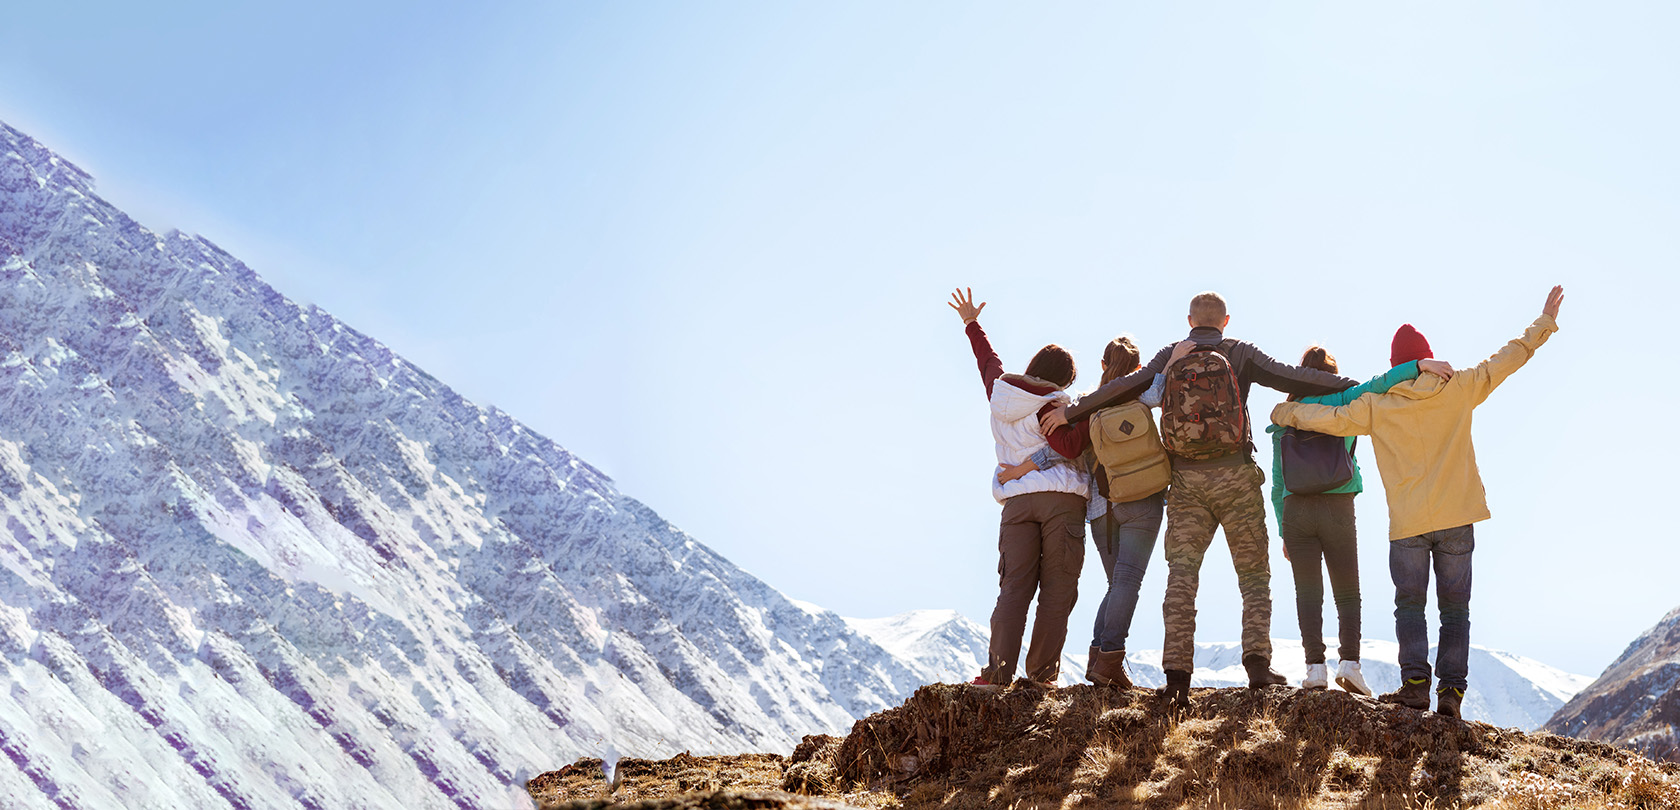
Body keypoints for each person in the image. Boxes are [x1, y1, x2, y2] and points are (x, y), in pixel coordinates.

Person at [1041, 291, 1360, 706]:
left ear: (1189, 319)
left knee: (1182, 576)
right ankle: (1259, 666)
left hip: (1187, 482)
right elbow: (1293, 377)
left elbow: (1127, 385)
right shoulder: (1240, 352)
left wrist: (1072, 412)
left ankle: (1177, 675)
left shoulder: (1172, 353)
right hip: (1236, 476)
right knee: (1253, 575)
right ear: (1225, 320)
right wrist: (1352, 385)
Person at [1270, 286, 1565, 719]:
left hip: (1407, 524)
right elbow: (1510, 358)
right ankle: (1451, 695)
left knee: (1409, 605)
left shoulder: (1378, 404)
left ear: (1396, 367)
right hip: (1458, 516)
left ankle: (1413, 688)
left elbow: (1326, 419)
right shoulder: (1461, 386)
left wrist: (1285, 413)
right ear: (1429, 358)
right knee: (1455, 609)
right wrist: (1544, 323)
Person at [998, 338, 1192, 688]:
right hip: (1142, 500)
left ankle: (1098, 657)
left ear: (1102, 365)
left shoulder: (1084, 407)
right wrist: (1167, 365)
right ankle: (1106, 659)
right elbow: (1159, 394)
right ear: (1136, 369)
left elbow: (1062, 451)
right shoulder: (1139, 394)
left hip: (1102, 507)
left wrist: (1020, 470)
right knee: (1126, 583)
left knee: (1115, 584)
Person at [1264, 347, 1451, 696]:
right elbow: (1379, 384)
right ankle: (1349, 665)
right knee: (1347, 591)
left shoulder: (1285, 416)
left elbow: (1277, 483)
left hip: (1296, 511)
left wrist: (1282, 529)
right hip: (1338, 504)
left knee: (1308, 593)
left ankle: (1315, 669)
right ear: (1331, 373)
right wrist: (1419, 365)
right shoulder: (1342, 399)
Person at [949, 287, 1090, 687]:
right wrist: (1077, 416)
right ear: (1066, 379)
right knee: (1057, 591)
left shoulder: (1001, 392)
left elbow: (987, 361)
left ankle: (996, 673)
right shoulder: (1054, 401)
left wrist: (972, 323)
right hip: (1060, 500)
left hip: (1015, 502)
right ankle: (1041, 676)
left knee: (1013, 589)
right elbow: (1067, 446)